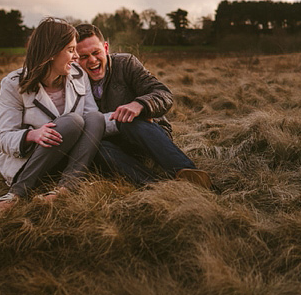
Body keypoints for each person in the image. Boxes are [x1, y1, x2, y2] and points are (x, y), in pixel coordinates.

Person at [74, 23, 212, 190]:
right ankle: (157, 187)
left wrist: (140, 104)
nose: (92, 61)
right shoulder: (73, 80)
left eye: (96, 53)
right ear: (75, 57)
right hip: (114, 148)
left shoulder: (126, 63)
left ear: (106, 47)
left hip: (147, 135)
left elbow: (164, 94)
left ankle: (190, 175)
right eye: (83, 56)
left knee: (128, 119)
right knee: (93, 146)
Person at [0, 17, 105, 210]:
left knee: (95, 117)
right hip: (32, 162)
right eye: (70, 50)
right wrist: (31, 135)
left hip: (67, 161)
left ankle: (65, 189)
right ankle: (17, 193)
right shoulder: (12, 84)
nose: (76, 57)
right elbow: (3, 137)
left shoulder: (78, 74)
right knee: (73, 121)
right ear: (51, 52)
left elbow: (92, 119)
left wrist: (132, 117)